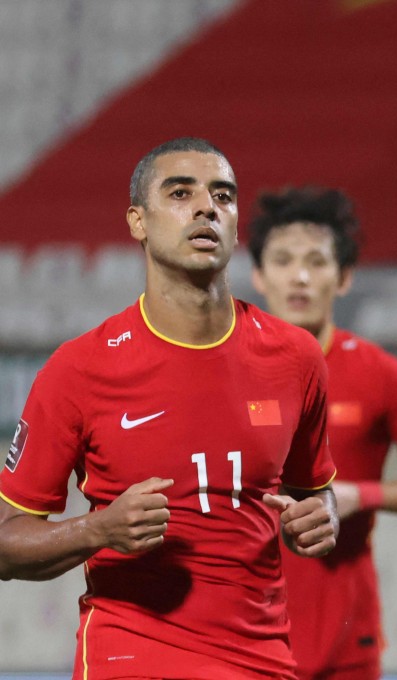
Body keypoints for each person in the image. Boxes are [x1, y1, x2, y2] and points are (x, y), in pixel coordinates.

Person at [0, 137, 340, 679]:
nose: (207, 207)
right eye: (180, 193)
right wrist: (98, 531)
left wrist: (325, 517)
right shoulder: (79, 369)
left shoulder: (296, 358)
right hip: (132, 656)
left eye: (223, 197)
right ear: (137, 221)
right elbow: (4, 543)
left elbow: (314, 491)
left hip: (262, 661)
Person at [247, 186, 397, 680]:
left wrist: (358, 495)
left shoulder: (382, 375)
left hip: (345, 638)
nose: (300, 276)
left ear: (343, 277)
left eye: (317, 262)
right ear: (259, 274)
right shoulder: (223, 373)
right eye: (282, 260)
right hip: (244, 633)